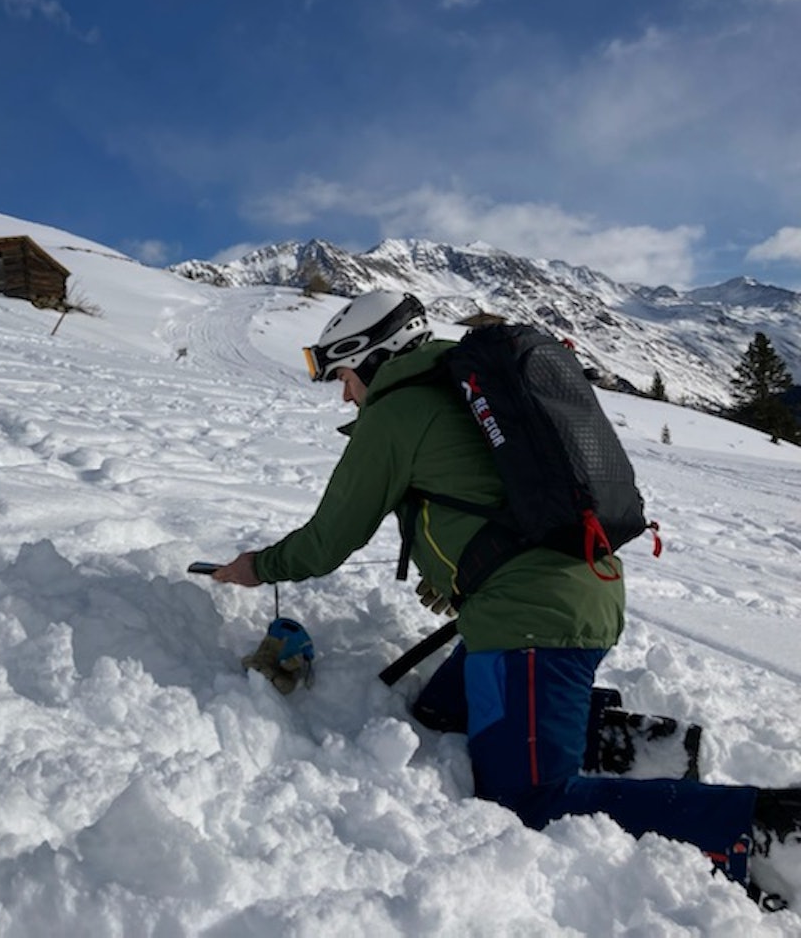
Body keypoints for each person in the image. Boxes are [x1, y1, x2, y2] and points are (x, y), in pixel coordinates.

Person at [211, 289, 801, 910]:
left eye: (345, 377)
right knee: (440, 714)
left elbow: (330, 537)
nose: (344, 395)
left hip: (532, 623)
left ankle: (761, 827)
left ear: (375, 358)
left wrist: (258, 566)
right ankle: (624, 742)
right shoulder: (457, 388)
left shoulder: (399, 411)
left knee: (527, 802)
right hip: (562, 595)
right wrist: (460, 572)